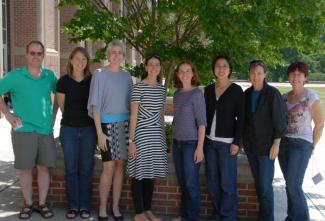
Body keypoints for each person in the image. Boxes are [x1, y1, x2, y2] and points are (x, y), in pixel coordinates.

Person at [0, 40, 57, 219]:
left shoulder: (49, 76)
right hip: (23, 130)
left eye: (39, 53)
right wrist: (8, 116)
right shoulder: (16, 76)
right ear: (26, 55)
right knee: (25, 169)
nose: (35, 56)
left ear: (43, 56)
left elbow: (60, 95)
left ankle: (41, 204)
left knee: (43, 168)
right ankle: (27, 204)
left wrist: (53, 116)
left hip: (44, 130)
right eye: (32, 53)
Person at [87, 40, 132, 221]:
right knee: (108, 167)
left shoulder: (127, 77)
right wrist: (99, 132)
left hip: (124, 125)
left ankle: (115, 207)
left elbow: (131, 105)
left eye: (119, 52)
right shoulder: (100, 74)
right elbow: (95, 105)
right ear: (108, 55)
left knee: (121, 167)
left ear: (123, 56)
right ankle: (103, 208)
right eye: (113, 52)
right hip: (106, 125)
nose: (116, 55)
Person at [278, 61, 324, 221]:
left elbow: (319, 123)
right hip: (283, 144)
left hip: (301, 145)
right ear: (288, 76)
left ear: (305, 77)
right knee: (289, 185)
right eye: (292, 73)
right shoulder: (283, 98)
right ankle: (292, 217)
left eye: (299, 74)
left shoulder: (311, 97)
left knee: (294, 186)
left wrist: (312, 146)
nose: (295, 77)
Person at [242, 60, 286, 221]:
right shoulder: (246, 94)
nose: (256, 76)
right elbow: (244, 120)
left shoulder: (272, 94)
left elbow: (280, 121)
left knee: (265, 187)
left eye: (259, 73)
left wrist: (277, 142)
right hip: (251, 147)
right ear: (249, 74)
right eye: (253, 73)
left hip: (267, 148)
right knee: (259, 186)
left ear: (265, 74)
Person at [56, 47, 97, 219]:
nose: (80, 62)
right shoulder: (63, 82)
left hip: (88, 130)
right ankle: (73, 206)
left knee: (86, 170)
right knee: (71, 169)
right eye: (77, 59)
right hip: (69, 130)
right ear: (71, 60)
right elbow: (63, 107)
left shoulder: (93, 80)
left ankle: (85, 206)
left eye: (84, 59)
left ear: (87, 62)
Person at [204, 56, 244, 221]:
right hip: (209, 142)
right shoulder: (208, 89)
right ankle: (218, 213)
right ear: (214, 69)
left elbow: (241, 119)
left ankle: (228, 217)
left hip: (227, 144)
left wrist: (236, 142)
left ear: (229, 69)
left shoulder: (236, 90)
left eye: (225, 66)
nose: (221, 69)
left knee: (227, 183)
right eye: (218, 66)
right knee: (212, 181)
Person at [127, 54, 168, 221]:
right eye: (150, 64)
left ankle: (148, 210)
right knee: (138, 174)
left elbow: (161, 115)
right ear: (146, 67)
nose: (153, 68)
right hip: (141, 136)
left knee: (150, 175)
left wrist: (163, 138)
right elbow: (134, 116)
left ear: (160, 68)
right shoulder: (138, 88)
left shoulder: (161, 89)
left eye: (157, 65)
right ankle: (139, 213)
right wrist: (132, 142)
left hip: (156, 136)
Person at [170, 61, 206, 221]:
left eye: (188, 71)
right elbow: (176, 121)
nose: (184, 73)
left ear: (193, 74)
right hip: (177, 144)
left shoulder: (197, 94)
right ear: (177, 74)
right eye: (181, 71)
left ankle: (193, 218)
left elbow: (202, 123)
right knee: (183, 183)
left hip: (191, 144)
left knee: (191, 184)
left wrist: (200, 148)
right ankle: (184, 215)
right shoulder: (177, 94)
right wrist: (172, 143)